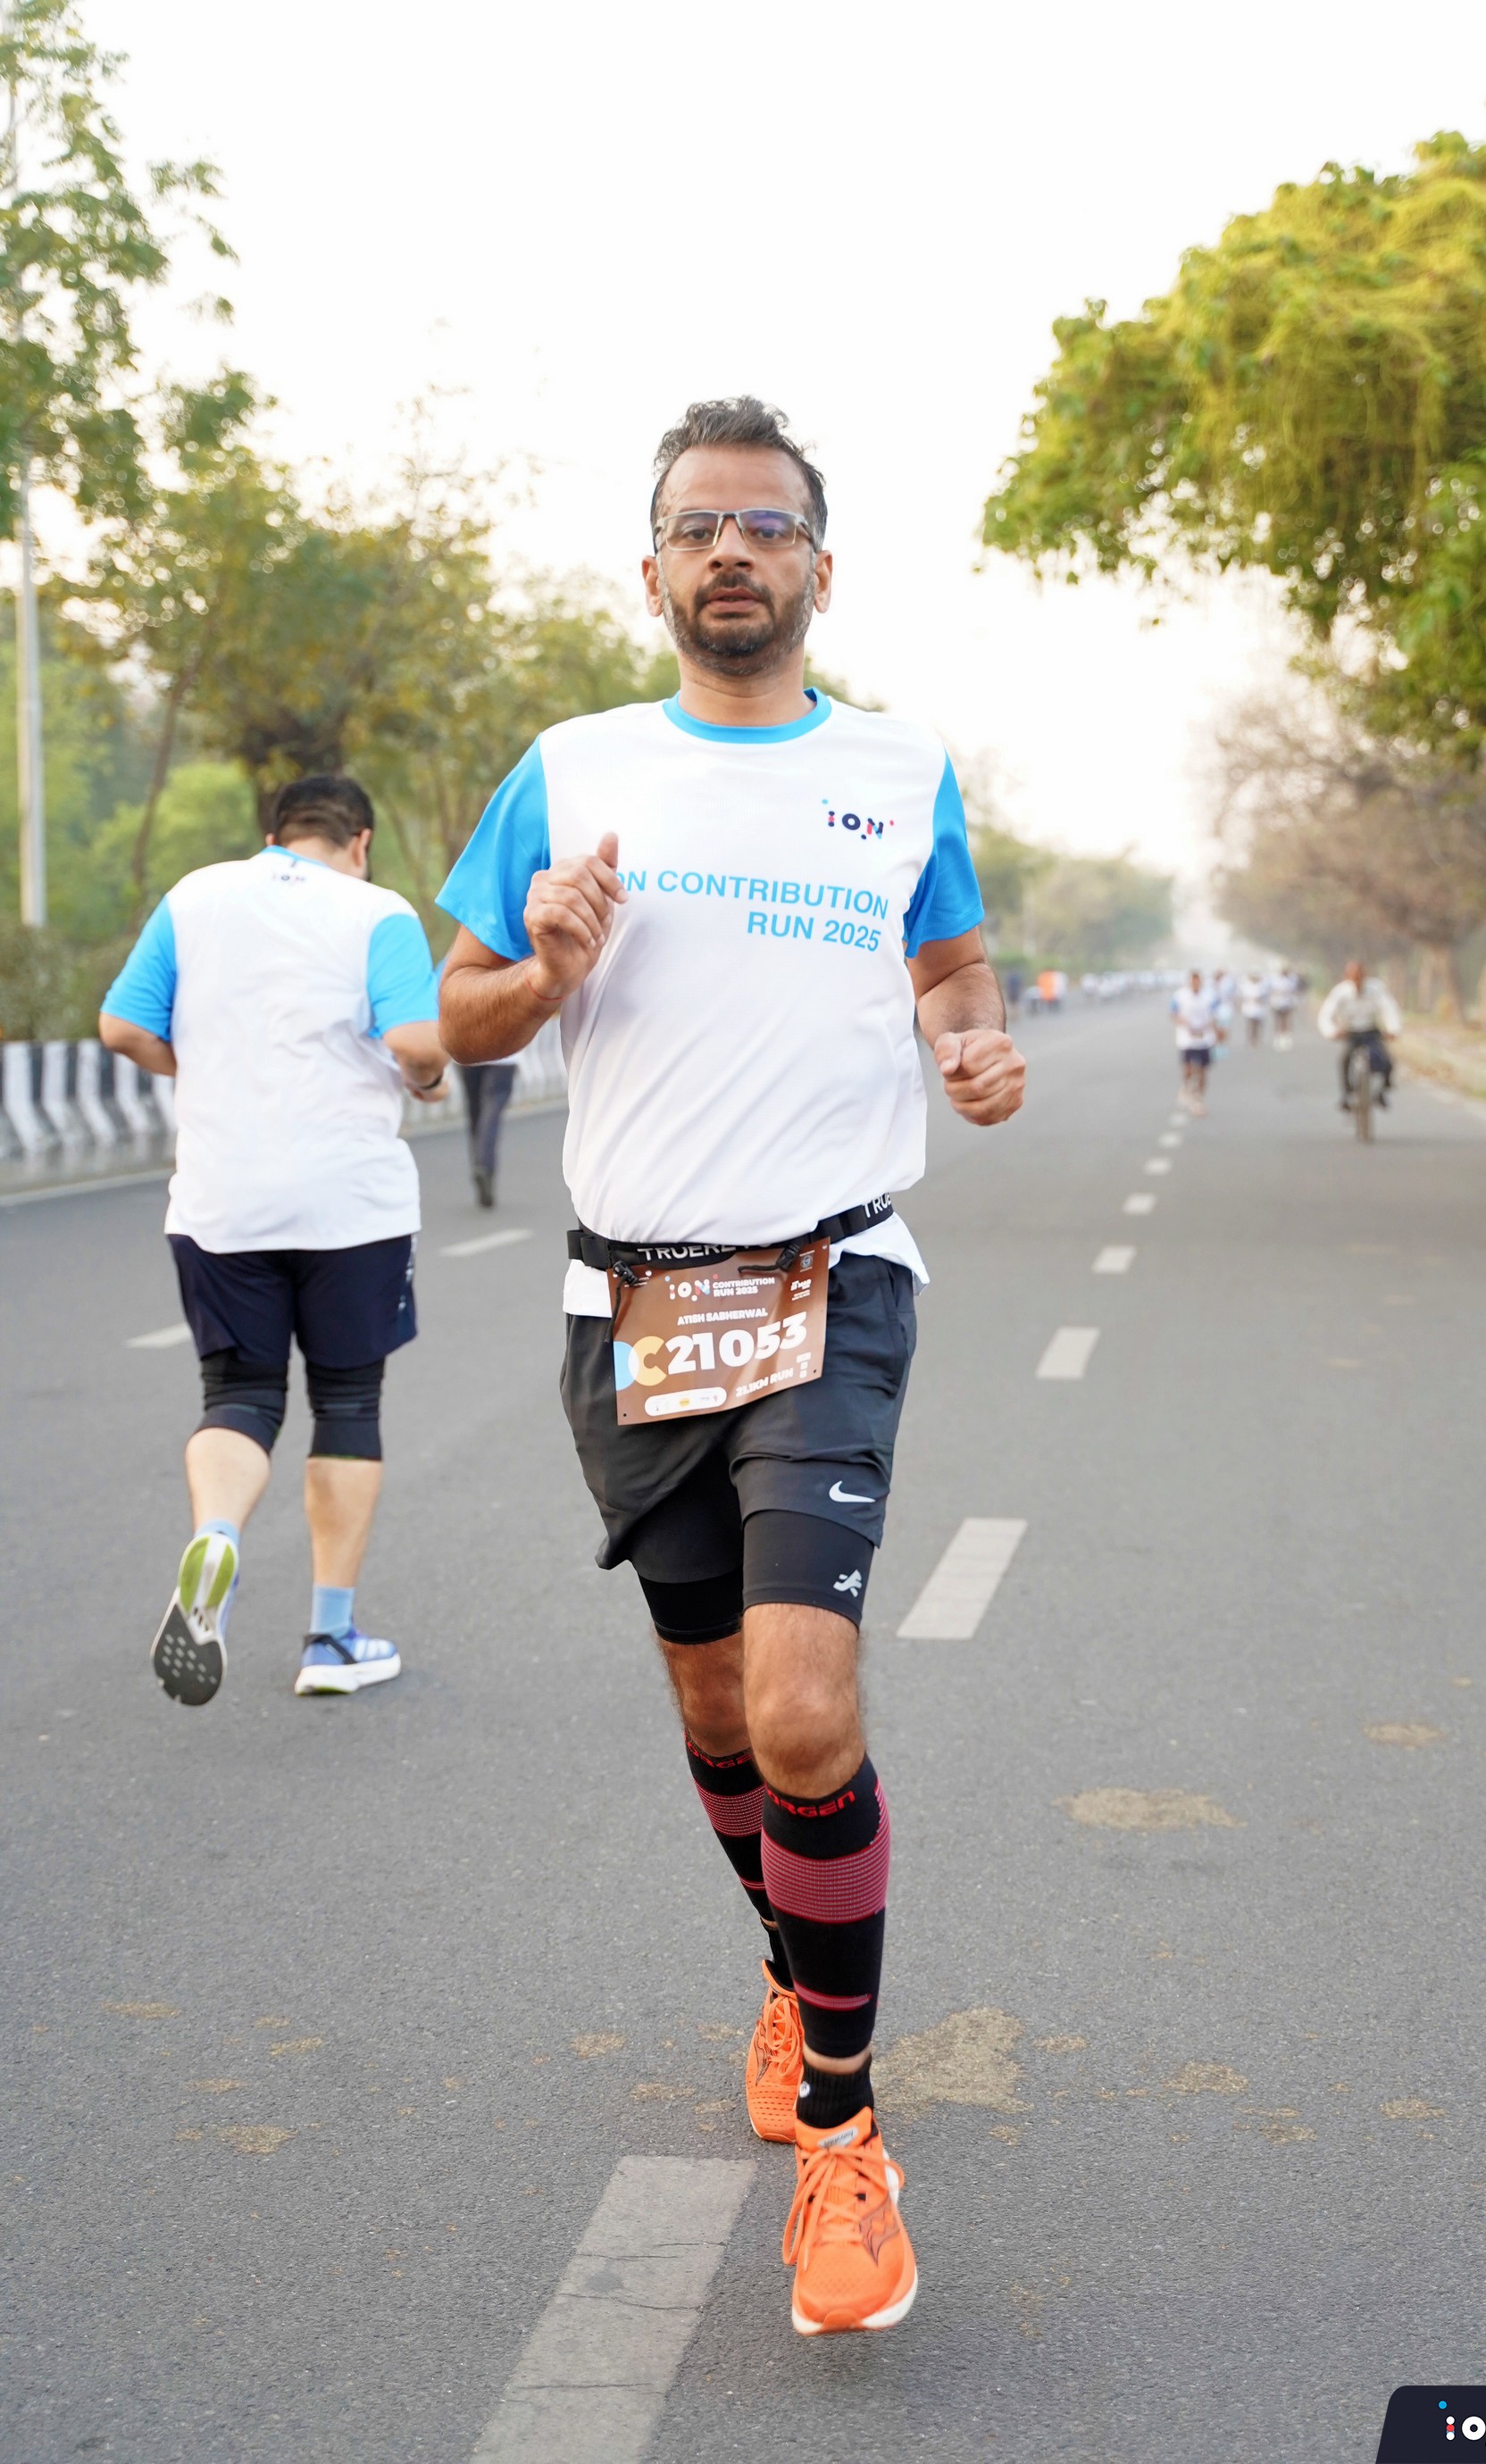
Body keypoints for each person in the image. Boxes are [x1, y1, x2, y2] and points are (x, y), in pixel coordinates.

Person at [437, 397, 1025, 2339]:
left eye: (766, 525)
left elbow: (949, 965)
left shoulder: (898, 769)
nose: (731, 552)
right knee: (711, 1712)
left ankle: (845, 2134)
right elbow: (453, 1023)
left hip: (832, 1276)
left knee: (798, 1710)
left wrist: (969, 1039)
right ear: (652, 568)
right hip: (632, 1307)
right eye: (699, 525)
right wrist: (544, 966)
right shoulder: (571, 769)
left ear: (818, 570)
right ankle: (794, 1965)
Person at [98, 775, 448, 1708]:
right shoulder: (377, 912)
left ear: (273, 834)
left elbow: (122, 1026)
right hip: (349, 1206)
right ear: (359, 841)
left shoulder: (195, 896)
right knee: (348, 1403)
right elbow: (419, 1042)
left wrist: (201, 1066)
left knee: (240, 1395)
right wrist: (423, 1079)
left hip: (221, 1201)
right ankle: (331, 1637)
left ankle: (217, 1535)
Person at [1317, 960, 1402, 1108]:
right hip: (1351, 1033)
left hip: (1371, 1031)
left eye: (1360, 976)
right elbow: (1326, 1014)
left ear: (1365, 975)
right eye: (1354, 977)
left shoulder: (1376, 988)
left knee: (1387, 1062)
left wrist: (1393, 1030)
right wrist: (1331, 1031)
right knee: (1345, 1060)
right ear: (1347, 977)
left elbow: (1389, 1009)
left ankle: (1381, 1092)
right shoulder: (1340, 992)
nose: (1357, 980)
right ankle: (1347, 1095)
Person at [461, 1059, 517, 1208]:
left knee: (475, 1111)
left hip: (468, 1054)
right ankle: (484, 1163)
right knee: (493, 1108)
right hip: (504, 1057)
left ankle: (479, 1162)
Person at [1171, 968, 1218, 1113]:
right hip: (1187, 1039)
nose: (1196, 984)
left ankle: (1198, 1100)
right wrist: (1186, 1024)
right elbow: (1174, 1014)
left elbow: (1215, 1015)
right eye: (1193, 981)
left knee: (1203, 1071)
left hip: (1205, 1038)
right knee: (1188, 1069)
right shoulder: (1179, 996)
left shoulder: (1210, 996)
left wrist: (1210, 1027)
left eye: (1198, 981)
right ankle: (1186, 1087)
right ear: (1189, 981)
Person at [1268, 961, 1299, 1050]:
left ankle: (1286, 1038)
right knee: (1277, 1021)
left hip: (1287, 1002)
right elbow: (1271, 990)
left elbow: (1294, 991)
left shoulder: (1292, 979)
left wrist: (1294, 1002)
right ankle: (1277, 1038)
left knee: (1286, 1021)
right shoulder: (1275, 979)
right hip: (1277, 1002)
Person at [1239, 968, 1269, 1047]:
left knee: (1257, 1024)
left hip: (1259, 1008)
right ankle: (1250, 1039)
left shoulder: (1262, 985)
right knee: (1250, 1024)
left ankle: (1256, 1039)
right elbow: (1243, 996)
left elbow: (1264, 996)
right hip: (1249, 1008)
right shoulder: (1246, 984)